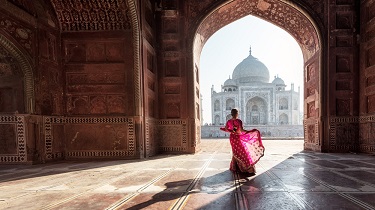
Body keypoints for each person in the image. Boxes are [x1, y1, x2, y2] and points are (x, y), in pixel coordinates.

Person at [220, 108, 265, 174]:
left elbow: (226, 129)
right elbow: (241, 130)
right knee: (242, 151)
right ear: (237, 113)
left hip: (232, 138)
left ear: (231, 114)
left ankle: (235, 167)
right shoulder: (239, 121)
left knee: (236, 152)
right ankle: (246, 167)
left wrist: (231, 131)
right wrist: (250, 131)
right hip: (237, 137)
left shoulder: (228, 121)